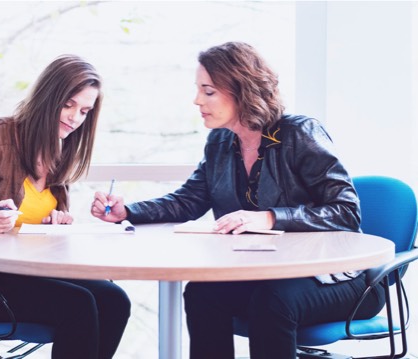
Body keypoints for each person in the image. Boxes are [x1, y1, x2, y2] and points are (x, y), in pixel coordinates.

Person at [90, 42, 386, 358]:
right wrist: (128, 211)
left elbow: (346, 211)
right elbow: (190, 200)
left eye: (208, 91)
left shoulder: (299, 133)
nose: (197, 100)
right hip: (269, 275)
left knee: (273, 301)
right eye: (198, 90)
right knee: (203, 293)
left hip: (341, 280)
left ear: (241, 90)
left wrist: (270, 217)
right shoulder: (220, 141)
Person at [0, 54, 131, 359]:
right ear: (47, 96)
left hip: (16, 275)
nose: (74, 118)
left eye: (84, 111)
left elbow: (27, 226)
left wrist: (52, 224)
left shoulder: (58, 150)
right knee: (78, 306)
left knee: (115, 300)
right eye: (68, 104)